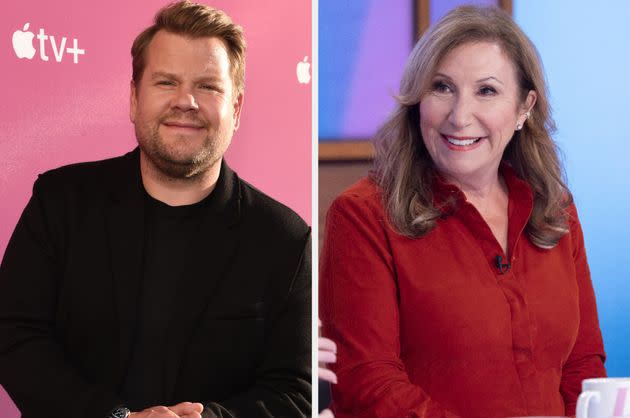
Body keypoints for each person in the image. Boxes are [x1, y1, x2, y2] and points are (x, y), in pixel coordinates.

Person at [0, 2, 311, 418]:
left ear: (235, 109)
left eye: (208, 86)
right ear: (134, 98)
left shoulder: (284, 240)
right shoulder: (60, 203)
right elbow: (14, 336)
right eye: (166, 82)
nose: (186, 101)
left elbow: (295, 390)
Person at [319, 6, 605, 418]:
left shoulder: (556, 210)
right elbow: (369, 384)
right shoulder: (363, 216)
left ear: (524, 107)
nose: (459, 116)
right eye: (442, 87)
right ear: (418, 100)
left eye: (486, 91)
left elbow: (583, 365)